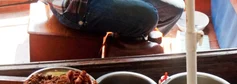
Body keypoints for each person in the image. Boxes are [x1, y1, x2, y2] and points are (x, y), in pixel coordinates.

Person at [41, 0, 184, 40]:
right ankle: (127, 56)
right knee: (148, 16)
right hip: (76, 5)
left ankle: (137, 35)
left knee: (175, 7)